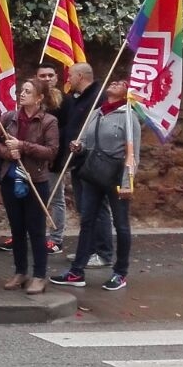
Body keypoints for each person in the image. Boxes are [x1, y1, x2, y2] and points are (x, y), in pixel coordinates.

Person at [51, 74, 140, 291]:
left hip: (116, 177)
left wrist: (128, 182)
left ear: (127, 93)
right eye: (114, 81)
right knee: (87, 222)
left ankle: (120, 273)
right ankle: (77, 271)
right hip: (93, 176)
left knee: (121, 225)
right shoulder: (96, 113)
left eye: (121, 83)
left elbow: (133, 153)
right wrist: (79, 146)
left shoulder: (129, 117)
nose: (115, 82)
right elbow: (87, 142)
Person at [0, 78, 59, 295]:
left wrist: (23, 146)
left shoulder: (49, 121)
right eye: (21, 91)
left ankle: (39, 275)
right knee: (17, 229)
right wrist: (8, 152)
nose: (22, 94)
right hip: (10, 178)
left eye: (28, 92)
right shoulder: (9, 118)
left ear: (39, 98)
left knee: (36, 230)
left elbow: (51, 151)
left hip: (35, 181)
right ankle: (21, 272)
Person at [61, 61, 114, 268]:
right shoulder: (77, 98)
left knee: (98, 208)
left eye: (71, 76)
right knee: (85, 209)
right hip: (77, 161)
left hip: (92, 162)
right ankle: (87, 250)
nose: (68, 80)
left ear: (81, 77)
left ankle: (103, 252)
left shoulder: (98, 98)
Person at [36, 63, 69, 254]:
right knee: (28, 197)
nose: (47, 79)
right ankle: (27, 235)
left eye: (50, 75)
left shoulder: (64, 101)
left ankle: (55, 239)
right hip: (31, 157)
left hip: (53, 158)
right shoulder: (30, 98)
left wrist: (58, 157)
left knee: (56, 198)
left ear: (56, 77)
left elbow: (66, 131)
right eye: (43, 76)